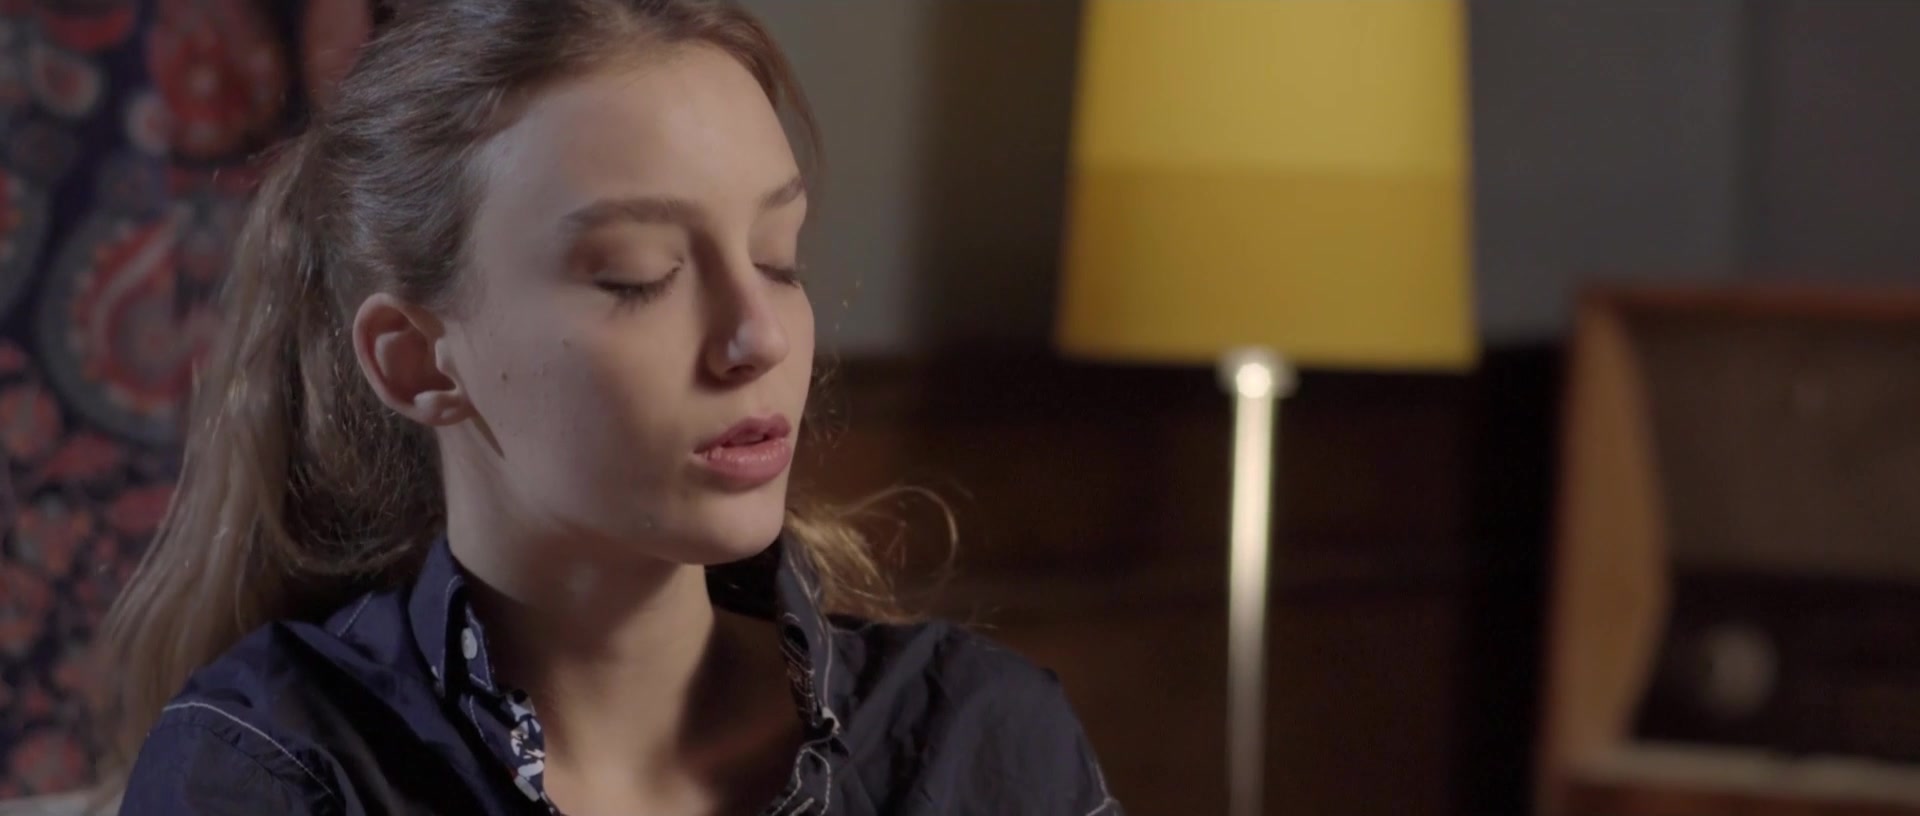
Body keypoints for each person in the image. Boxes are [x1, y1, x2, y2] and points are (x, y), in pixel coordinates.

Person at [96, 1, 1120, 813]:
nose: (758, 337)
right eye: (639, 276)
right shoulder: (271, 772)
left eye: (778, 259)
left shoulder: (976, 741)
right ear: (416, 363)